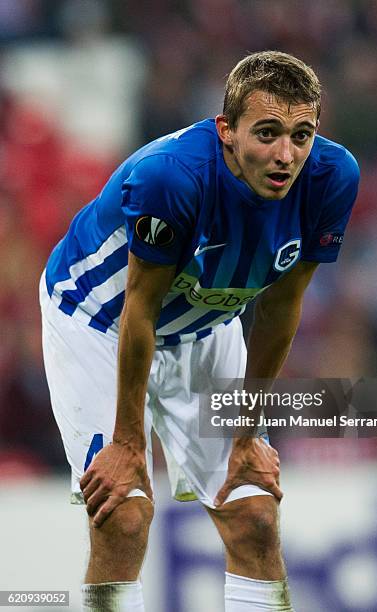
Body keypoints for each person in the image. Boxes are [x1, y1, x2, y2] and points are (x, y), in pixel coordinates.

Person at [40, 50, 359, 611]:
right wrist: (127, 443)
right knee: (125, 513)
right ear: (226, 130)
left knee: (255, 513)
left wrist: (247, 435)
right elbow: (139, 310)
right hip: (99, 320)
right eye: (267, 133)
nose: (286, 155)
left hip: (206, 326)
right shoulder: (174, 177)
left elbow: (282, 308)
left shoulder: (332, 179)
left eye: (301, 135)